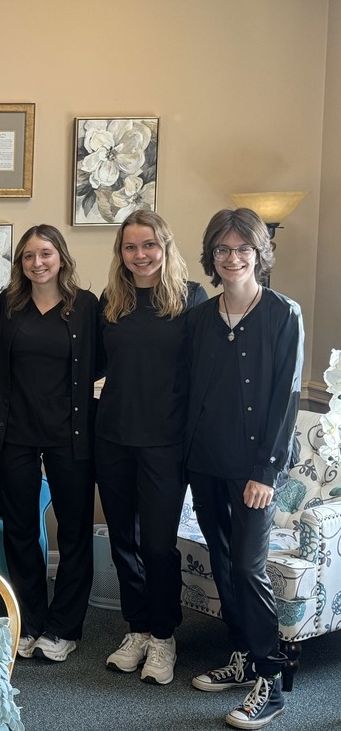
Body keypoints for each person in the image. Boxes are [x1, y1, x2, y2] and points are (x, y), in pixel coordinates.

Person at [184, 208, 302, 729]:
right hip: (205, 464)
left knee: (249, 568)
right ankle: (242, 658)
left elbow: (286, 399)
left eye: (242, 250)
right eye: (223, 250)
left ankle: (270, 682)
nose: (232, 258)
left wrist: (266, 473)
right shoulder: (200, 319)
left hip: (254, 471)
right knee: (224, 561)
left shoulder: (283, 314)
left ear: (258, 254)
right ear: (212, 256)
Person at [95, 210, 207, 684]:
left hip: (165, 442)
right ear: (120, 253)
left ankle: (164, 636)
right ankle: (137, 628)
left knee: (158, 545)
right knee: (124, 542)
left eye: (148, 245)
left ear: (165, 245)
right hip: (114, 437)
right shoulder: (111, 301)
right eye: (130, 247)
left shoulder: (191, 299)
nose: (140, 255)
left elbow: (204, 375)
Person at [0, 224, 99, 662]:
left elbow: (100, 364)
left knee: (74, 531)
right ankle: (31, 619)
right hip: (15, 433)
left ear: (61, 257)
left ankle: (64, 628)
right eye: (28, 256)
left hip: (70, 434)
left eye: (45, 254)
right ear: (20, 264)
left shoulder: (86, 306)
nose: (37, 263)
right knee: (20, 531)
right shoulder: (8, 305)